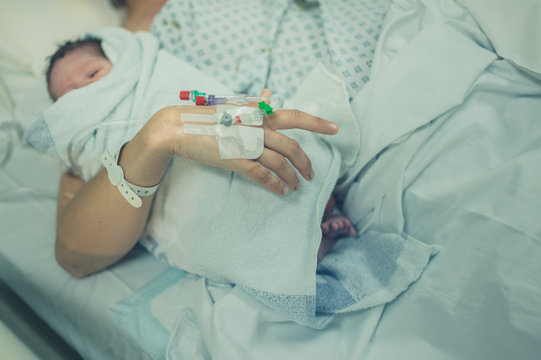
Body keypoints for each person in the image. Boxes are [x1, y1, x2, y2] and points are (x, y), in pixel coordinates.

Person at [45, 34, 355, 278]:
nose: (86, 93)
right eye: (70, 97)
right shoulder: (82, 146)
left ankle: (323, 209)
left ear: (123, 61)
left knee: (274, 154)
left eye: (92, 74)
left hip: (241, 129)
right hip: (184, 199)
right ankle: (289, 248)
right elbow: (72, 258)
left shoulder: (157, 71)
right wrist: (151, 141)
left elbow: (210, 99)